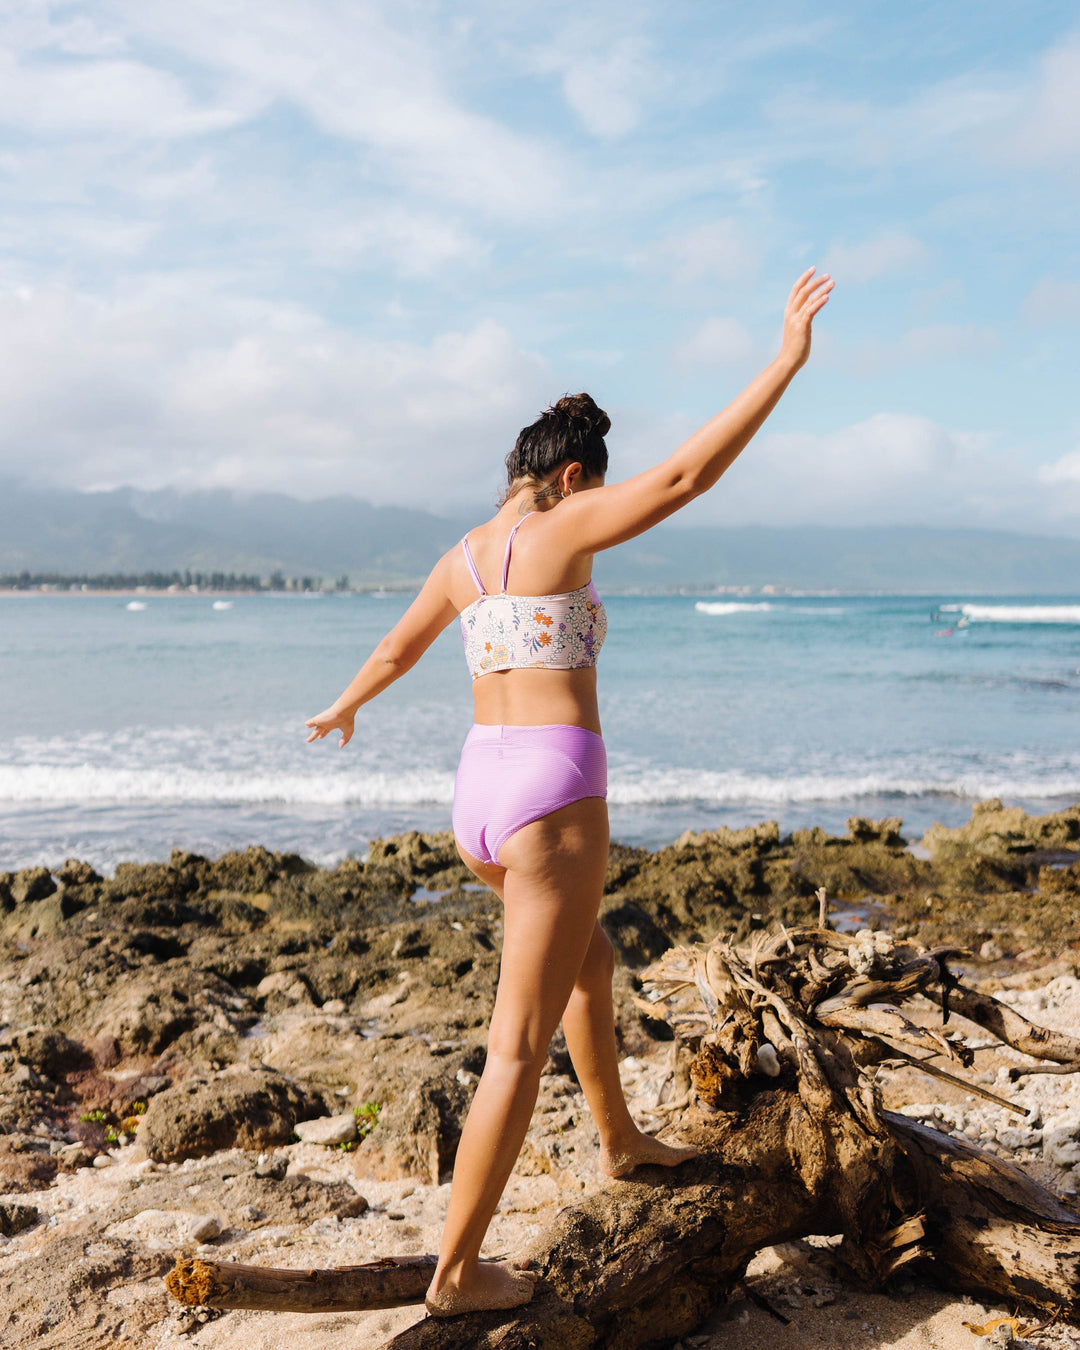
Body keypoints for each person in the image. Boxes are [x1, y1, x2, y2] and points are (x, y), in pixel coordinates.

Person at [305, 266, 833, 1317]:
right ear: (577, 474)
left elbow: (397, 645)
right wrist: (783, 361)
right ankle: (454, 1277)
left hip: (479, 800)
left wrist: (344, 705)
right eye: (597, 487)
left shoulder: (464, 554)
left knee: (588, 957)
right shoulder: (567, 527)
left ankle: (622, 1140)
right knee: (514, 1045)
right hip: (553, 791)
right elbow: (686, 478)